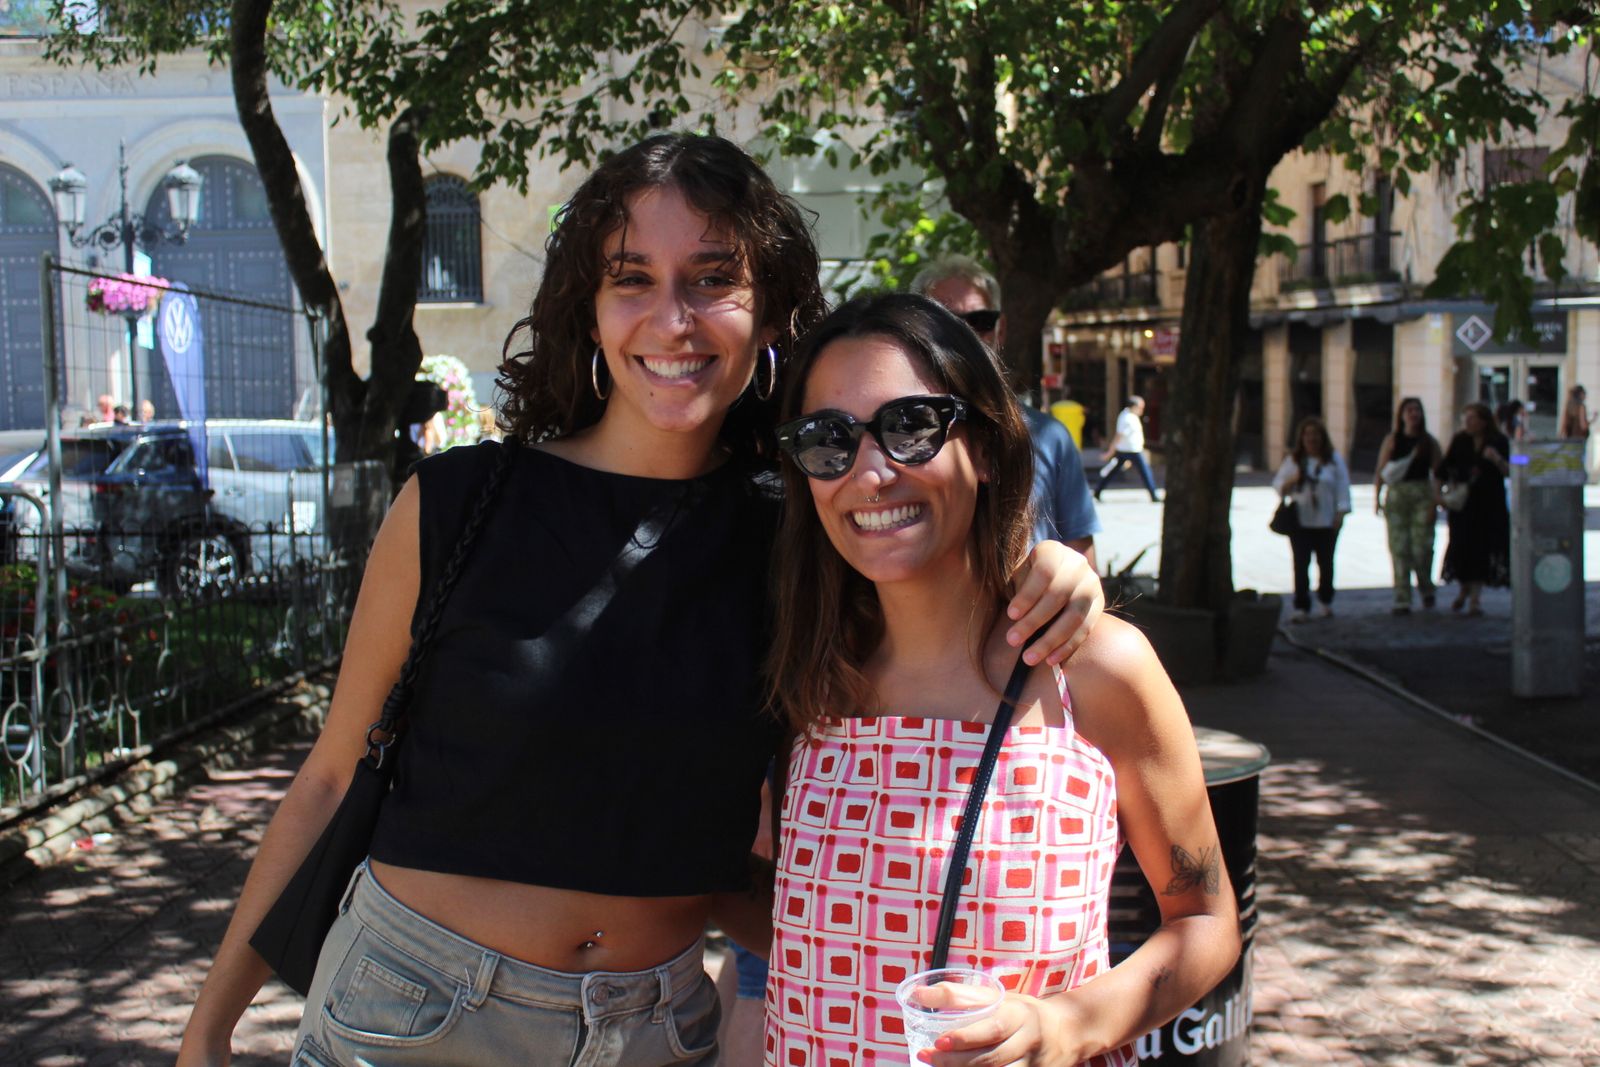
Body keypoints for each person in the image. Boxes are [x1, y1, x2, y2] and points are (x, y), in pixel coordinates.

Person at [175, 134, 1104, 1067]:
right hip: (414, 1015)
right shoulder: (457, 504)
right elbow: (332, 778)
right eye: (632, 279)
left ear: (772, 311)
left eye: (712, 279)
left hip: (655, 1032)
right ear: (588, 310)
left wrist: (1057, 571)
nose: (674, 319)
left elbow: (945, 616)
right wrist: (209, 1030)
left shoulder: (802, 536)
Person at [761, 293, 1239, 1066]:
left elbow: (1207, 920)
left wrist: (1069, 1023)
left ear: (984, 445)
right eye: (827, 440)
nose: (871, 472)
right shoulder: (803, 674)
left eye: (910, 426)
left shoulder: (1093, 669)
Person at [911, 255, 1100, 563]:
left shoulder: (1049, 436)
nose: (965, 336)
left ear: (1000, 331)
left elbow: (1083, 560)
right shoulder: (894, 436)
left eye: (979, 321)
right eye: (945, 323)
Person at [1272, 416, 1352, 622]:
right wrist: (1293, 479)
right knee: (1300, 564)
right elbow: (1279, 486)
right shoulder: (1294, 461)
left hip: (1326, 520)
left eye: (1315, 434)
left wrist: (1340, 514)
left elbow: (1342, 489)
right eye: (1307, 434)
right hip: (1300, 520)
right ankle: (1301, 605)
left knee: (1326, 563)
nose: (1311, 439)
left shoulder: (1333, 460)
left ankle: (1326, 600)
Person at [1435, 403, 1510, 615]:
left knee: (1482, 550)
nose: (1467, 423)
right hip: (1463, 506)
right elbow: (1444, 468)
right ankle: (1464, 589)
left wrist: (1498, 460)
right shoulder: (1460, 441)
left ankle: (1475, 598)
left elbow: (1520, 464)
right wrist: (1438, 495)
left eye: (1471, 418)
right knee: (1462, 547)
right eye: (1465, 418)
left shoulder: (1499, 441)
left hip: (1489, 505)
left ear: (1483, 421)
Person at [1373, 397, 1441, 614]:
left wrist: (1436, 500)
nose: (1413, 414)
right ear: (1401, 415)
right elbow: (1381, 470)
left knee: (1421, 547)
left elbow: (1439, 473)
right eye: (1409, 410)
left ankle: (1426, 586)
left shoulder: (1428, 442)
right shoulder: (1392, 440)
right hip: (1398, 495)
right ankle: (1402, 597)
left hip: (1422, 493)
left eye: (1416, 410)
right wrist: (1377, 496)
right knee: (1399, 548)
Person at [1095, 395, 1161, 502]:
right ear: (1134, 406)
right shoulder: (1126, 417)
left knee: (1115, 471)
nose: (1142, 410)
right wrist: (1110, 452)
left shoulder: (1131, 416)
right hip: (1130, 450)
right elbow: (1118, 436)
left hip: (1131, 449)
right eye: (1140, 407)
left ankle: (1098, 491)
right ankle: (1153, 495)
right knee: (1145, 472)